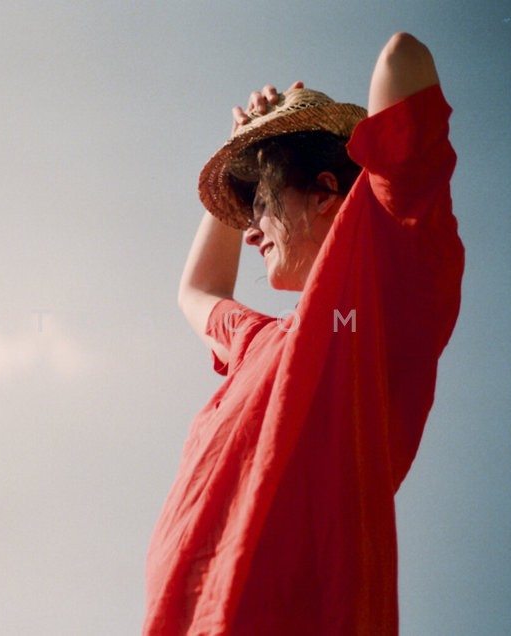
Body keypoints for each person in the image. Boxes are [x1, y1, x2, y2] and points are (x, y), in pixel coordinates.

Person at [143, 33, 464, 635]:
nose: (249, 232)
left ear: (324, 192)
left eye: (262, 204)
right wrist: (246, 146)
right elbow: (196, 291)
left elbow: (403, 58)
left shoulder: (387, 293)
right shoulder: (257, 341)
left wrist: (289, 128)